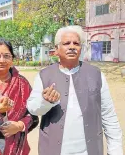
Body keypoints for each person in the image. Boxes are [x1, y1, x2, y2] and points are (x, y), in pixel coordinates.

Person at [27, 25, 123, 155]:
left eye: (76, 43)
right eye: (66, 43)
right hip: (53, 150)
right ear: (56, 49)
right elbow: (33, 108)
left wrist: (115, 150)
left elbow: (108, 116)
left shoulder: (96, 74)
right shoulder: (44, 75)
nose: (72, 46)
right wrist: (45, 102)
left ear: (81, 48)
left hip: (89, 150)